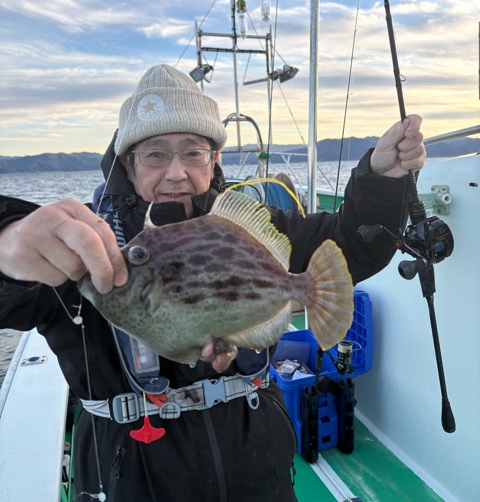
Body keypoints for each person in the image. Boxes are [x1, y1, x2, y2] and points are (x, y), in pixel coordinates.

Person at [0, 64, 426, 502]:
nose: (175, 173)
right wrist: (8, 242)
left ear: (214, 159)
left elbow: (349, 244)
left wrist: (382, 180)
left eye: (193, 153)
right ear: (128, 163)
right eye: (155, 154)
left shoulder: (242, 229)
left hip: (258, 468)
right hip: (135, 480)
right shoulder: (86, 249)